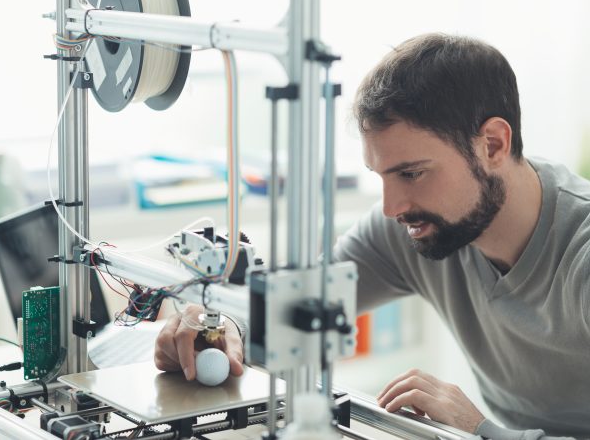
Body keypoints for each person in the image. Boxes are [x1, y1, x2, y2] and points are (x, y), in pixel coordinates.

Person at [154, 33, 590, 440]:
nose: (391, 208)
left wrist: (481, 431)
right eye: (381, 176)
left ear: (493, 144)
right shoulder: (414, 226)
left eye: (412, 173)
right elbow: (304, 303)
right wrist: (223, 325)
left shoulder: (581, 256)